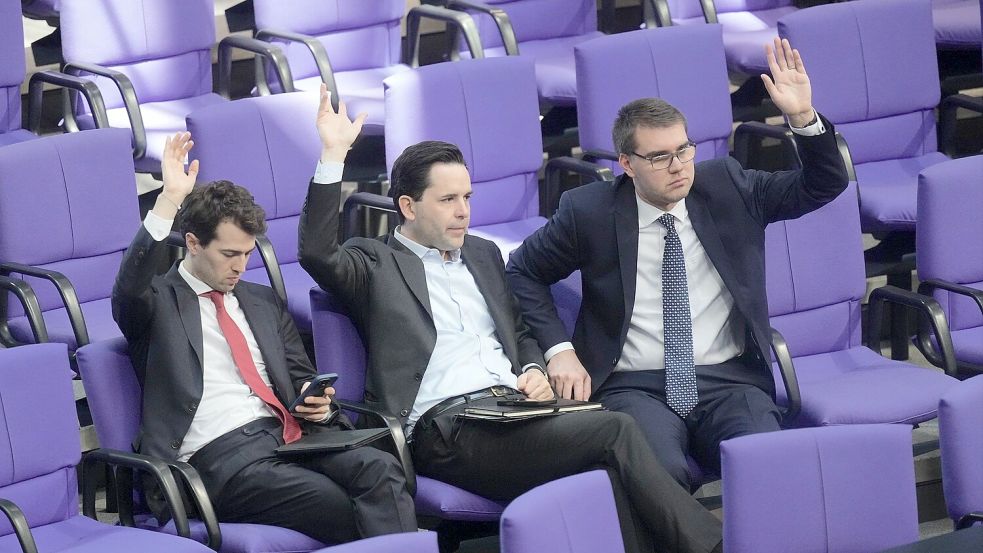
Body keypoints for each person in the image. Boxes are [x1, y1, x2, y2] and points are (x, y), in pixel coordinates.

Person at [298, 85, 723, 553]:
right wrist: (333, 156)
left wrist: (534, 368)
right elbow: (317, 252)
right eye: (447, 200)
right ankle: (716, 545)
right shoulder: (374, 263)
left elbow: (518, 331)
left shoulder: (482, 254)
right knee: (616, 429)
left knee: (608, 473)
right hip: (446, 430)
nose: (463, 212)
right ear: (408, 206)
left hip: (516, 412)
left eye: (467, 197)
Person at [505, 38, 850, 488]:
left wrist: (803, 117)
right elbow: (523, 271)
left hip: (729, 381)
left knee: (768, 464)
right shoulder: (588, 211)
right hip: (634, 384)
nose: (679, 166)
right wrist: (559, 350)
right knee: (657, 477)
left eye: (684, 150)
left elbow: (824, 184)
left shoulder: (729, 187)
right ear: (627, 164)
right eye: (660, 157)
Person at [111, 133, 417, 544]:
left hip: (288, 437)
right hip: (217, 457)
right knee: (333, 502)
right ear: (193, 243)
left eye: (247, 254)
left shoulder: (261, 300)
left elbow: (300, 375)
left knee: (382, 471)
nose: (240, 267)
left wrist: (315, 402)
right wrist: (168, 201)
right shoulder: (156, 303)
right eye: (229, 255)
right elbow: (128, 287)